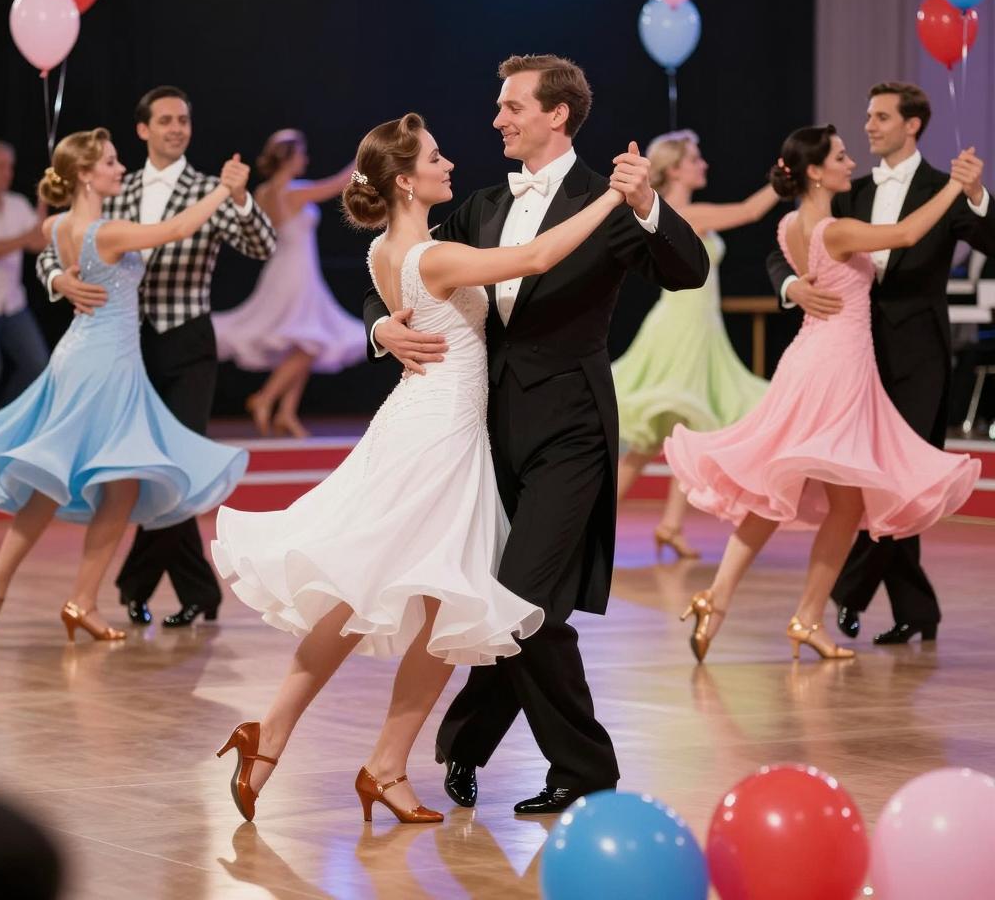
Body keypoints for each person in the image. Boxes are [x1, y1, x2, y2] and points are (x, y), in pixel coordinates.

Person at [211, 112, 638, 824]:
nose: (450, 165)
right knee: (430, 603)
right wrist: (614, 198)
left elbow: (400, 299)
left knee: (379, 596)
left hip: (420, 425)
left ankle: (288, 739)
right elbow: (537, 258)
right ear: (406, 182)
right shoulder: (433, 258)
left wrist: (382, 325)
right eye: (436, 158)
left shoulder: (388, 249)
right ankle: (369, 761)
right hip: (439, 438)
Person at [365, 55, 709, 814]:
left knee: (524, 601)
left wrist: (648, 202)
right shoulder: (482, 205)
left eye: (512, 106)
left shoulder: (606, 199)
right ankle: (466, 742)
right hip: (484, 433)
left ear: (557, 114)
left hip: (571, 430)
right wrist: (381, 328)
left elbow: (689, 271)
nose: (497, 119)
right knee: (502, 600)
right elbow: (402, 271)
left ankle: (583, 770)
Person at [665, 125, 981, 664]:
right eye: (839, 156)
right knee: (837, 503)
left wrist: (794, 285)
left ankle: (720, 600)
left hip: (810, 358)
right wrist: (955, 186)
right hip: (836, 366)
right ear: (815, 172)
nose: (849, 161)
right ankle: (804, 617)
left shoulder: (790, 224)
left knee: (784, 495)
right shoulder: (836, 230)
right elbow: (907, 234)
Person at [0, 129, 247, 646]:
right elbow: (179, 227)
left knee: (71, 481)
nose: (120, 168)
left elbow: (46, 251)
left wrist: (57, 279)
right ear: (84, 174)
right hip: (103, 364)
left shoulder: (55, 225)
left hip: (82, 356)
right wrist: (224, 188)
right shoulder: (109, 232)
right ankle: (76, 599)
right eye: (111, 162)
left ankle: (4, 586)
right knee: (108, 484)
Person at [35, 86, 275, 629]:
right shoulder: (114, 184)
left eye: (183, 120)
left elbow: (263, 246)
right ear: (143, 129)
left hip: (186, 343)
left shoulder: (209, 188)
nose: (176, 128)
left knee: (172, 468)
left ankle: (138, 582)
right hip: (124, 348)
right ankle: (190, 590)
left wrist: (239, 196)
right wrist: (58, 280)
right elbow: (53, 245)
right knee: (139, 472)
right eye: (165, 120)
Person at [767, 83, 994, 645]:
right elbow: (784, 248)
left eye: (882, 117)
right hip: (854, 355)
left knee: (898, 481)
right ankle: (917, 608)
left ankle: (849, 588)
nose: (869, 125)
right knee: (875, 484)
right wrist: (792, 286)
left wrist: (977, 195)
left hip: (920, 355)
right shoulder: (852, 190)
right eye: (869, 116)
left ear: (912, 125)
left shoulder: (945, 188)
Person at [613, 130, 776, 560]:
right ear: (674, 169)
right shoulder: (686, 213)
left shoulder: (677, 210)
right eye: (695, 159)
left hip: (699, 325)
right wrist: (785, 180)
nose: (703, 164)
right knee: (676, 429)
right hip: (682, 327)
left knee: (666, 435)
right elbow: (749, 211)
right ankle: (605, 524)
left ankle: (665, 524)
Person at [213, 129, 363, 438]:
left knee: (303, 342)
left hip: (282, 271)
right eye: (301, 154)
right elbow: (339, 184)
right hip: (294, 273)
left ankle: (286, 413)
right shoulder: (293, 192)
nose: (305, 159)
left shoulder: (263, 192)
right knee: (310, 342)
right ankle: (265, 398)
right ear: (290, 158)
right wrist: (365, 154)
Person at [0, 139, 49, 415]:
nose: (8, 173)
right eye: (1, 166)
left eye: (10, 166)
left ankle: (1, 419)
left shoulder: (17, 204)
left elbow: (38, 243)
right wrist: (26, 236)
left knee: (37, 364)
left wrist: (44, 204)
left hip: (14, 303)